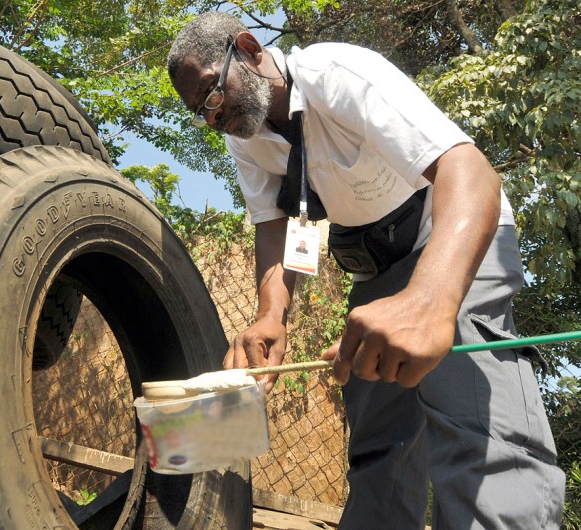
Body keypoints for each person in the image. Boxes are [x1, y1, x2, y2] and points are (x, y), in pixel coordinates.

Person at [167, 12, 565, 529]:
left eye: (211, 94)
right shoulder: (245, 136)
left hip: (451, 237)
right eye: (200, 111)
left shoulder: (339, 74)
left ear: (246, 47)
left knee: (470, 412)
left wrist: (430, 302)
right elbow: (275, 223)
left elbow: (469, 172)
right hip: (376, 274)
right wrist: (271, 315)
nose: (212, 117)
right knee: (379, 439)